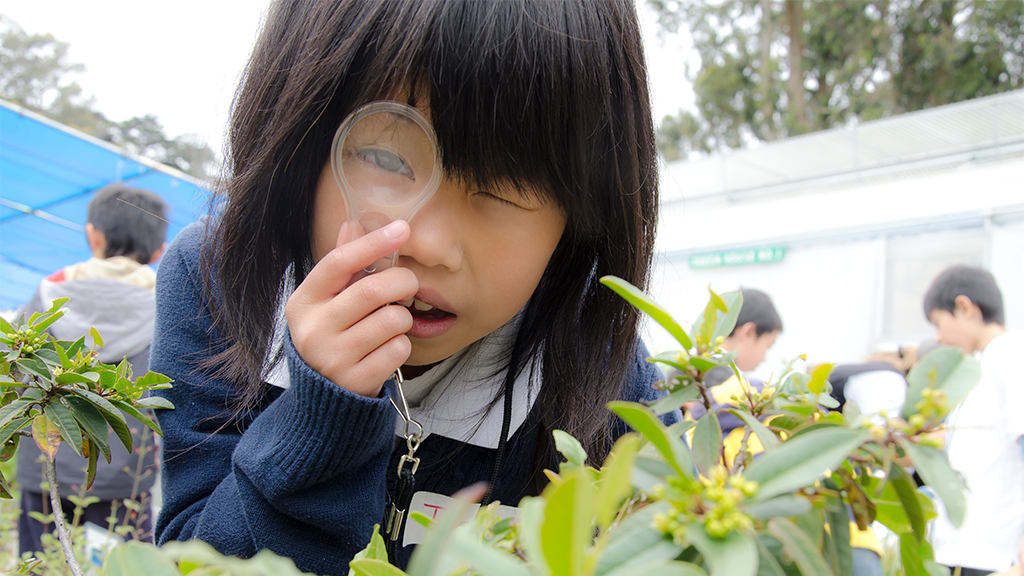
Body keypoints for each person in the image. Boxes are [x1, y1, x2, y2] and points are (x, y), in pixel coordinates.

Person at [148, 0, 676, 572]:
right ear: (297, 136)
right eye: (385, 157)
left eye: (505, 187)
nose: (428, 244)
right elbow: (191, 559)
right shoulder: (218, 282)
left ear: (580, 221)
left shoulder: (599, 372)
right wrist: (318, 428)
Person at [17, 183, 167, 555]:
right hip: (124, 477)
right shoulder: (167, 302)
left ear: (92, 235)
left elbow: (17, 372)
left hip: (44, 466)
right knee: (117, 568)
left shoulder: (47, 295)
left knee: (43, 564)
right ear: (160, 249)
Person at [923, 265, 1024, 575]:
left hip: (992, 552)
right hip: (966, 548)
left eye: (939, 323)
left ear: (964, 308)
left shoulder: (1012, 352)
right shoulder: (982, 363)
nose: (938, 337)